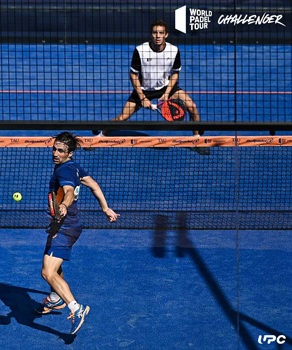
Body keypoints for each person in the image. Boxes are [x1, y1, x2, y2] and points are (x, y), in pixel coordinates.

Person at [37, 131, 119, 335]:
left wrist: (64, 205)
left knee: (48, 272)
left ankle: (76, 307)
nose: (55, 153)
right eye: (54, 149)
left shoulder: (64, 171)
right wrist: (105, 208)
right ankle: (56, 299)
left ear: (70, 153)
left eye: (61, 151)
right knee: (51, 268)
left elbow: (69, 191)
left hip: (64, 227)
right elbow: (94, 185)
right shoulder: (74, 167)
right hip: (64, 226)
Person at [97, 19, 200, 137]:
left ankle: (197, 140)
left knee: (192, 107)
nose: (158, 36)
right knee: (122, 118)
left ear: (166, 35)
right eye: (155, 32)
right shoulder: (140, 50)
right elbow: (133, 75)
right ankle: (100, 136)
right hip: (144, 88)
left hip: (165, 87)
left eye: (161, 33)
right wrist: (143, 98)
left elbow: (175, 73)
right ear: (151, 34)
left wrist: (166, 94)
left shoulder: (174, 50)